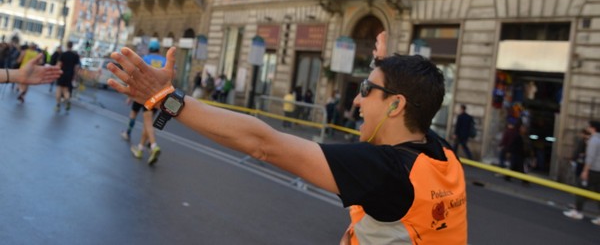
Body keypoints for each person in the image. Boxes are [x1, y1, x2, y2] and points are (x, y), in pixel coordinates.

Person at [107, 31, 467, 243]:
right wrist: (387, 72)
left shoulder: (383, 172)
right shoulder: (443, 157)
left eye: (366, 90)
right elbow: (415, 111)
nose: (356, 100)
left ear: (395, 105)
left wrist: (166, 99)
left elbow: (263, 144)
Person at [129, 39, 165, 165]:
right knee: (147, 122)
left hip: (146, 94)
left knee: (148, 122)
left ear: (149, 49)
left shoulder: (145, 59)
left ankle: (154, 145)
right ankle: (140, 148)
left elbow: (138, 77)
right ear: (159, 50)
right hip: (159, 95)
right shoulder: (164, 61)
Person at [563, 120, 600, 225]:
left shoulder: (594, 140)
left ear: (593, 128)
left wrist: (585, 171)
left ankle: (577, 211)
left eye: (589, 126)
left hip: (592, 170)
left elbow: (591, 158)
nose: (587, 128)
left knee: (581, 189)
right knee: (598, 193)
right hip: (599, 171)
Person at [55, 41, 80, 113]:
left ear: (67, 45)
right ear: (72, 46)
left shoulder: (63, 54)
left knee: (59, 89)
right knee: (66, 90)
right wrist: (75, 76)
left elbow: (58, 64)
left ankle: (58, 105)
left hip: (61, 73)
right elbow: (76, 67)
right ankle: (67, 101)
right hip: (70, 75)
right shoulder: (75, 55)